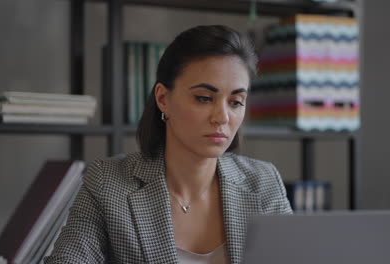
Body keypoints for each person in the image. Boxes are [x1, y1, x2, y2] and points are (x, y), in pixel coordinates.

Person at [44, 25, 292, 264]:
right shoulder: (108, 183)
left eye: (236, 102)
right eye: (204, 98)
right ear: (163, 99)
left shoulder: (263, 181)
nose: (222, 117)